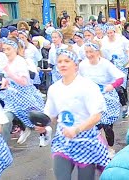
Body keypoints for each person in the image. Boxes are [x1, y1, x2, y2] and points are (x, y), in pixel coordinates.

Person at [36, 48, 110, 180]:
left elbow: (96, 115)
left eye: (67, 61)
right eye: (59, 62)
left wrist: (77, 129)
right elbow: (50, 114)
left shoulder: (87, 86)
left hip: (85, 140)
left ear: (75, 65)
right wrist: (42, 124)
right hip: (63, 140)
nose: (62, 64)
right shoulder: (54, 88)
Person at [79, 40, 124, 159]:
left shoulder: (105, 64)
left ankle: (110, 148)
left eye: (91, 52)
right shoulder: (83, 65)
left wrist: (111, 86)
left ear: (97, 52)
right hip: (92, 98)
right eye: (86, 52)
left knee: (107, 125)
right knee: (95, 126)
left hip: (107, 97)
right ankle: (98, 147)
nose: (89, 55)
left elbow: (120, 78)